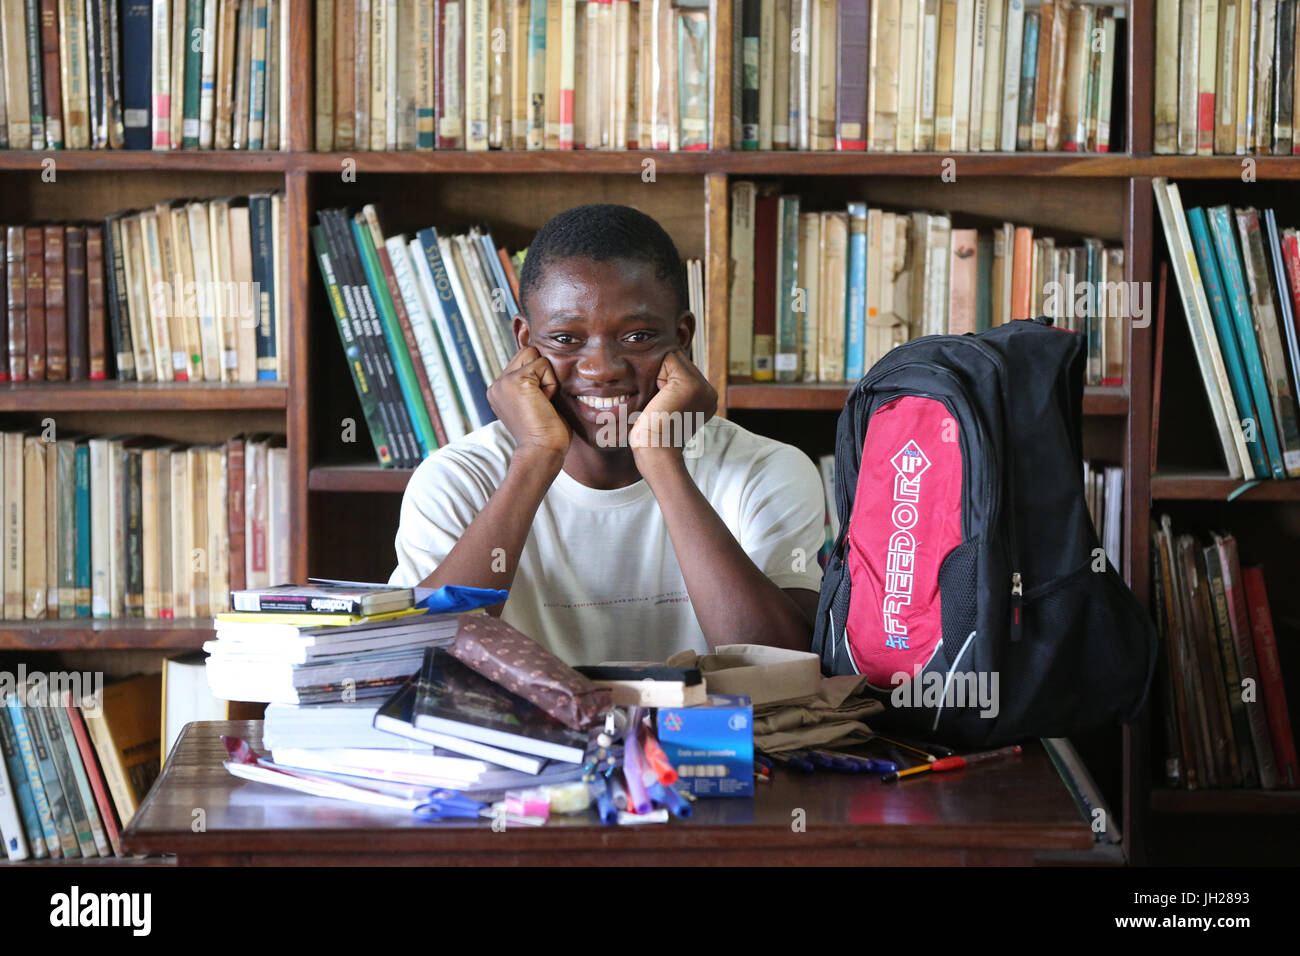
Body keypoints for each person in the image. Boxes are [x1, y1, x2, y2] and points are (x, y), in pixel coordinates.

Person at [388, 203, 826, 664]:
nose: (602, 369)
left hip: (714, 735)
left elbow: (783, 665)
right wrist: (535, 457)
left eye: (636, 337)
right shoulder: (457, 479)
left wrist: (661, 460)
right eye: (565, 339)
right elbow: (422, 659)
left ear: (682, 337)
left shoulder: (766, 470)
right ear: (524, 343)